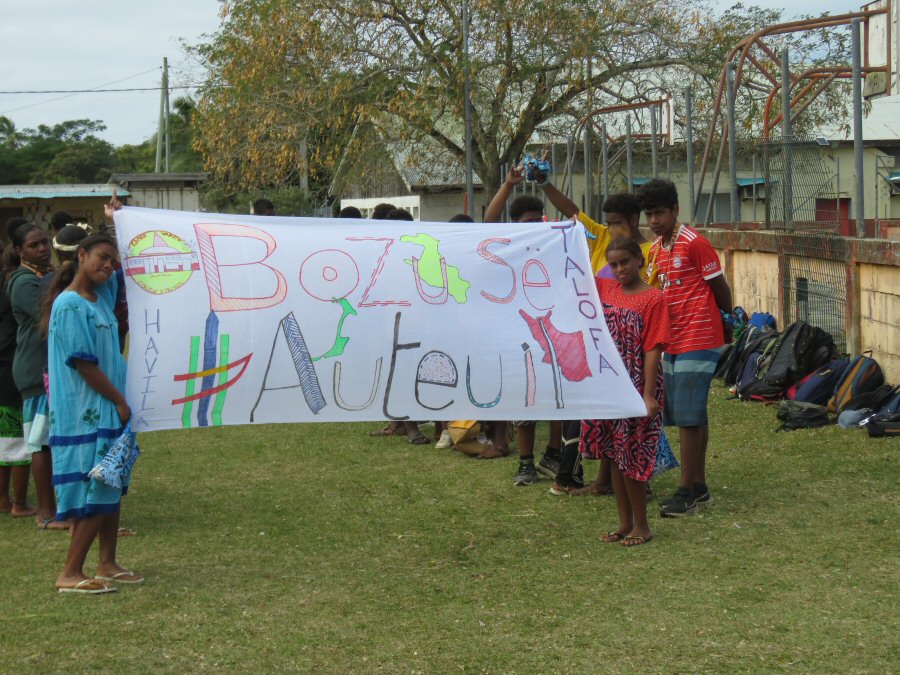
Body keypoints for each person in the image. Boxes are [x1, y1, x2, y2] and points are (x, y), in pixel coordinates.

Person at [45, 233, 141, 593]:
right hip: (88, 410)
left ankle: (107, 562)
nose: (108, 266)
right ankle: (70, 571)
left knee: (111, 483)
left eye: (112, 260)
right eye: (102, 257)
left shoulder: (98, 297)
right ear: (81, 255)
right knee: (98, 487)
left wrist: (121, 219)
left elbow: (125, 272)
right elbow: (83, 363)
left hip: (109, 409)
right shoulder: (70, 306)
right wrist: (118, 399)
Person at [638, 179, 733, 518]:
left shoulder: (695, 243)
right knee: (684, 413)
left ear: (675, 210)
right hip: (671, 339)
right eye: (649, 215)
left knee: (690, 414)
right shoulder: (655, 249)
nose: (653, 220)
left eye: (659, 213)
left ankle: (685, 493)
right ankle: (700, 487)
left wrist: (726, 325)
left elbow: (720, 288)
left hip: (699, 335)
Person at [579, 238, 669, 546]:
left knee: (632, 453)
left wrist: (648, 395)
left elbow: (653, 349)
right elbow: (570, 275)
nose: (619, 269)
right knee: (615, 454)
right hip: (609, 384)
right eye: (614, 264)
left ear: (639, 261)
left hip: (637, 384)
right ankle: (624, 522)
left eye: (625, 262)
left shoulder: (654, 298)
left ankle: (641, 525)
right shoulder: (605, 290)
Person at [483, 165, 562, 484]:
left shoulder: (553, 240)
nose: (535, 226)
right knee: (526, 396)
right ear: (515, 225)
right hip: (519, 332)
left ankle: (554, 455)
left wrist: (544, 183)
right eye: (528, 222)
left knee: (558, 394)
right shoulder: (508, 246)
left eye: (538, 220)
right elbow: (488, 222)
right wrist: (508, 184)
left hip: (553, 328)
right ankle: (526, 463)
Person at [5, 223, 67, 530]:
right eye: (34, 245)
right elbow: (49, 316)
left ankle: (56, 508)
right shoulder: (23, 282)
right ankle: (45, 513)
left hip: (50, 366)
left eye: (45, 242)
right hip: (35, 369)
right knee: (41, 442)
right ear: (19, 251)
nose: (43, 248)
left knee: (51, 439)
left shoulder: (47, 275)